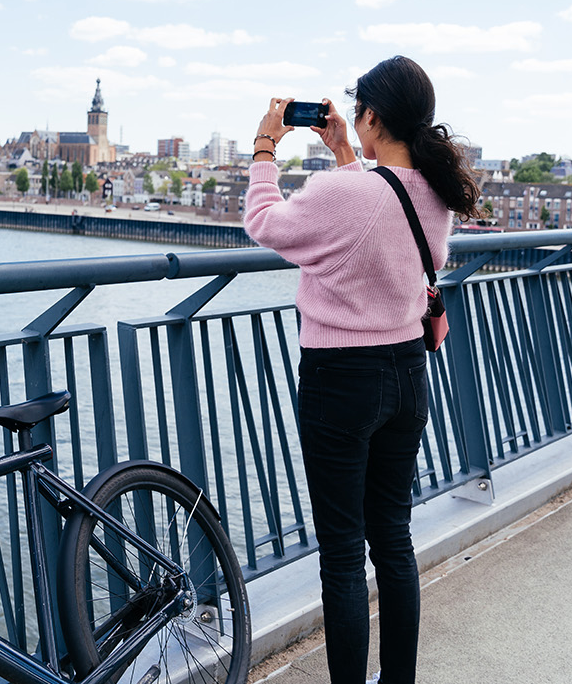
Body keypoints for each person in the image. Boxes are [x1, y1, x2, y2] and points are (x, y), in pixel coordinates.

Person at [242, 56, 481, 684]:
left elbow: (265, 223)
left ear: (372, 115)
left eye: (358, 111)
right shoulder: (433, 193)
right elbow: (379, 218)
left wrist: (266, 146)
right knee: (393, 542)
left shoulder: (350, 192)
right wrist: (349, 152)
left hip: (340, 382)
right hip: (406, 374)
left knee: (344, 557)